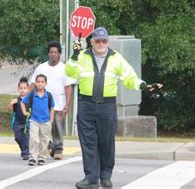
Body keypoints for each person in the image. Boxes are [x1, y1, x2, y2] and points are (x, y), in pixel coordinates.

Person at [65, 27, 163, 188]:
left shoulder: (116, 58)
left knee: (106, 142)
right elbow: (69, 73)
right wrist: (74, 55)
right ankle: (91, 178)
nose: (101, 44)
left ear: (108, 42)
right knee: (88, 143)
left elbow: (129, 77)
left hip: (107, 106)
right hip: (86, 105)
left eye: (104, 41)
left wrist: (144, 85)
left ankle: (105, 176)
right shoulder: (82, 56)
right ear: (92, 42)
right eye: (98, 40)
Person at [29, 40, 76, 160]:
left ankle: (58, 149)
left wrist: (67, 104)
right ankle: (49, 146)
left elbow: (68, 87)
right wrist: (24, 99)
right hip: (43, 104)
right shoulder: (41, 67)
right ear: (48, 54)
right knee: (43, 129)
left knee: (58, 128)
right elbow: (33, 84)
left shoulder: (65, 68)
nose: (53, 54)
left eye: (55, 52)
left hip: (59, 103)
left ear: (59, 54)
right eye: (51, 52)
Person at [21, 74, 55, 166]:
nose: (40, 84)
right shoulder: (32, 94)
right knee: (34, 139)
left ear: (45, 83)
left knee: (44, 140)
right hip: (34, 120)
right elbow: (23, 102)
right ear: (35, 83)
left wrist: (51, 120)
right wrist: (25, 112)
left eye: (42, 82)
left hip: (46, 121)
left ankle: (42, 157)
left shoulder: (48, 95)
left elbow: (52, 108)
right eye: (38, 82)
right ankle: (33, 157)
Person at [7, 77, 30, 160]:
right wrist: (11, 103)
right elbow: (10, 109)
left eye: (25, 88)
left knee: (26, 137)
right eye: (21, 88)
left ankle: (25, 153)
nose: (23, 90)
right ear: (18, 89)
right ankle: (24, 148)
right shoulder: (16, 99)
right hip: (18, 121)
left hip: (27, 121)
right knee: (18, 137)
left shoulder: (29, 99)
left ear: (28, 89)